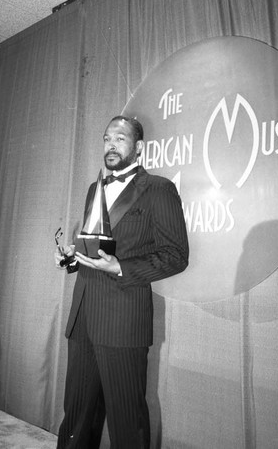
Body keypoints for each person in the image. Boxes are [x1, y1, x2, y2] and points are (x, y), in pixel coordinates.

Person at [55, 116, 189, 449]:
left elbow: (176, 256)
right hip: (84, 317)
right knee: (75, 417)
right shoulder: (94, 189)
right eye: (106, 139)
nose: (111, 145)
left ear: (139, 147)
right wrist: (72, 258)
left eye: (120, 138)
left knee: (127, 424)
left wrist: (119, 268)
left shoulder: (159, 189)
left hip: (123, 322)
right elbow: (95, 246)